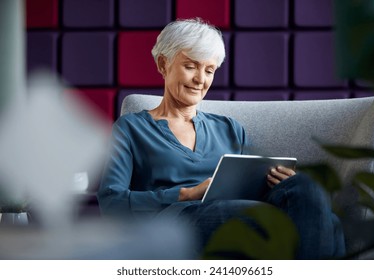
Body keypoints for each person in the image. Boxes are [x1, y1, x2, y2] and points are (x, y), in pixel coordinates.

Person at [97, 18, 345, 259]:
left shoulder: (229, 128)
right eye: (191, 66)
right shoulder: (131, 128)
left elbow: (253, 188)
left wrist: (283, 183)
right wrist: (187, 193)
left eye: (209, 70)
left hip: (238, 210)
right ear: (163, 64)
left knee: (309, 192)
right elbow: (112, 202)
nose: (200, 80)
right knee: (284, 220)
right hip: (177, 221)